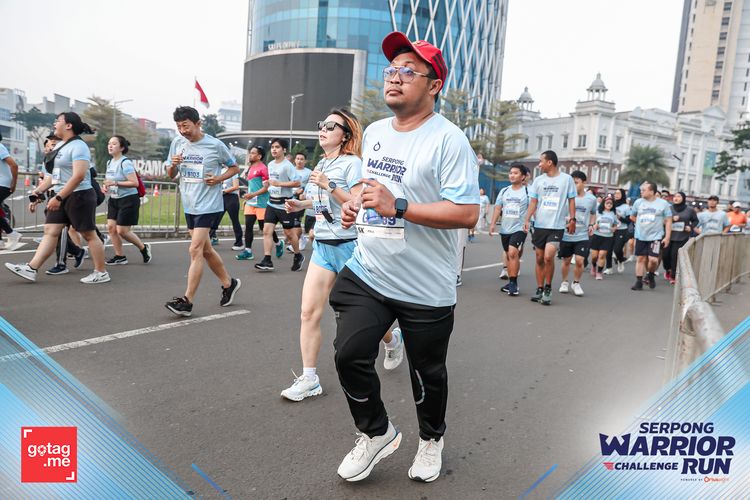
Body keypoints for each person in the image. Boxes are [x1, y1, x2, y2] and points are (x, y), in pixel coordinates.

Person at [330, 32, 479, 483]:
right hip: (371, 269)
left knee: (426, 373)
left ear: (434, 85)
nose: (394, 78)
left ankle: (431, 439)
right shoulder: (376, 132)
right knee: (348, 353)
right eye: (391, 70)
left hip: (425, 284)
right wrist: (355, 203)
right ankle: (375, 432)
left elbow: (467, 212)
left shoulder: (449, 141)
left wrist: (398, 206)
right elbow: (371, 186)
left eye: (408, 72)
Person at [279, 109, 405, 402]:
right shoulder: (323, 162)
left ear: (345, 135)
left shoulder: (352, 164)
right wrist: (301, 205)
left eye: (330, 126)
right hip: (323, 247)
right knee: (308, 312)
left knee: (361, 315)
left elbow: (357, 203)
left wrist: (329, 185)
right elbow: (323, 203)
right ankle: (309, 378)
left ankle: (391, 338)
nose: (322, 129)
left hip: (350, 247)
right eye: (321, 125)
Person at [6, 112, 109, 284]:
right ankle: (31, 268)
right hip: (61, 194)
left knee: (89, 234)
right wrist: (38, 191)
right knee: (51, 231)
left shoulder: (79, 146)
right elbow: (54, 176)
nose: (55, 123)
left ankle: (101, 272)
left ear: (68, 125)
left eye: (58, 120)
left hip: (79, 195)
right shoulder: (60, 145)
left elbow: (79, 176)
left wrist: (59, 197)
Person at [164, 106, 241, 316]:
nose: (183, 131)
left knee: (195, 250)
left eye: (186, 126)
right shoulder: (177, 143)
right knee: (206, 250)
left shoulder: (215, 145)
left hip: (209, 204)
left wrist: (218, 179)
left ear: (198, 123)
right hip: (189, 203)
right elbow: (170, 174)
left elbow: (234, 168)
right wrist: (173, 165)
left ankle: (187, 301)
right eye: (179, 126)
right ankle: (229, 283)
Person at [523, 150, 576, 305]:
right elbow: (533, 202)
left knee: (548, 256)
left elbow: (571, 200)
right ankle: (539, 288)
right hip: (540, 225)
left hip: (556, 226)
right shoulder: (538, 181)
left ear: (549, 162)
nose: (539, 164)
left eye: (541, 161)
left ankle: (548, 288)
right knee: (539, 258)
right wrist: (526, 219)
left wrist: (573, 219)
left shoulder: (566, 179)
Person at [254, 138, 303, 272]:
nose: (274, 149)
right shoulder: (270, 164)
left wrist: (279, 184)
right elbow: (273, 181)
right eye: (272, 147)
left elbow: (297, 182)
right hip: (272, 203)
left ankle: (298, 255)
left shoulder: (288, 166)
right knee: (266, 231)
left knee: (289, 233)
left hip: (285, 204)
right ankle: (267, 260)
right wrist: (268, 184)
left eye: (277, 147)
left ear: (284, 150)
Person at [102, 135, 152, 265]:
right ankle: (120, 256)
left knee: (122, 231)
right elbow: (109, 180)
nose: (110, 146)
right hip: (114, 199)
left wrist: (115, 183)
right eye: (109, 143)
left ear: (122, 148)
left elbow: (134, 183)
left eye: (114, 144)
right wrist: (106, 185)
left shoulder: (125, 163)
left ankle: (143, 248)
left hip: (128, 199)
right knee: (111, 228)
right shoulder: (109, 162)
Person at [489, 163, 529, 296]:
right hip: (505, 229)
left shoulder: (528, 192)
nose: (512, 175)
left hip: (520, 228)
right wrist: (492, 224)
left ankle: (513, 283)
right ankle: (511, 282)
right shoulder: (504, 191)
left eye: (516, 173)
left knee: (512, 253)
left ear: (523, 176)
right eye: (511, 173)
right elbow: (498, 208)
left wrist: (529, 222)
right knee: (508, 255)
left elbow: (533, 208)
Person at [558, 171, 597, 296]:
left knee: (580, 261)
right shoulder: (565, 197)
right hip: (566, 234)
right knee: (566, 261)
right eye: (572, 183)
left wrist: (591, 224)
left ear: (584, 183)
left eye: (576, 182)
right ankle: (564, 282)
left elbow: (593, 213)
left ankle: (576, 283)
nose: (574, 185)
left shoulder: (591, 199)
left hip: (582, 235)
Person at [236, 145, 277, 261]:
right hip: (251, 203)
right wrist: (247, 199)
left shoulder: (263, 169)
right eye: (250, 153)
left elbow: (266, 188)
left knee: (264, 228)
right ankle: (248, 251)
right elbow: (252, 186)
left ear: (259, 156)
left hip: (262, 203)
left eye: (253, 153)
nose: (250, 155)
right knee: (248, 226)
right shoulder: (250, 168)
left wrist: (252, 195)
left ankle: (278, 243)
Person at [630, 181, 672, 290]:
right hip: (640, 236)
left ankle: (651, 274)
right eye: (641, 190)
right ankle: (639, 282)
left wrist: (667, 237)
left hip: (655, 237)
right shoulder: (638, 202)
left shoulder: (663, 204)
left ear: (652, 191)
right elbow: (632, 216)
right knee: (640, 258)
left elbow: (668, 220)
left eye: (644, 190)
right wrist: (641, 224)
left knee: (653, 260)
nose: (641, 192)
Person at [664, 191, 699, 284]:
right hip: (668, 235)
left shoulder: (689, 210)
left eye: (679, 196)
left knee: (674, 255)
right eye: (675, 196)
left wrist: (690, 227)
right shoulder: (669, 208)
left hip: (681, 236)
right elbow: (662, 220)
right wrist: (671, 219)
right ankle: (668, 269)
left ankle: (673, 276)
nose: (676, 198)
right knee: (665, 256)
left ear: (683, 198)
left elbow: (695, 221)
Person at [208, 164, 244, 250]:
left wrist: (224, 191)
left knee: (235, 221)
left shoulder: (233, 171)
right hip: (221, 198)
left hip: (231, 198)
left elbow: (236, 186)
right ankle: (208, 240)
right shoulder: (221, 171)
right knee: (215, 219)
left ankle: (239, 243)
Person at [0, 132, 22, 251]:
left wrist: (14, 183)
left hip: (3, 184)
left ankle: (11, 233)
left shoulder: (0, 147)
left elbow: (14, 165)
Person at [287, 151, 312, 252]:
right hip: (289, 198)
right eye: (298, 159)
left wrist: (303, 190)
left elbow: (312, 185)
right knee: (289, 222)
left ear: (305, 161)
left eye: (302, 159)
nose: (299, 161)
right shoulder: (290, 171)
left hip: (300, 200)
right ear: (294, 160)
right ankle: (302, 238)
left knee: (296, 221)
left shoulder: (309, 172)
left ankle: (295, 244)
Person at [590, 196, 619, 280]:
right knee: (594, 256)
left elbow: (616, 225)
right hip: (597, 236)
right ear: (604, 204)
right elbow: (592, 222)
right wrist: (594, 226)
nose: (609, 205)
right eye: (607, 203)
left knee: (602, 255)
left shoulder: (613, 214)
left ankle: (599, 272)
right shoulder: (598, 212)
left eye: (611, 203)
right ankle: (594, 266)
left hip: (608, 237)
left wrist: (614, 228)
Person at [612, 188, 632, 274]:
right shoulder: (611, 204)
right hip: (610, 230)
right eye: (615, 193)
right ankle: (608, 268)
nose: (616, 195)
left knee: (617, 249)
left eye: (618, 193)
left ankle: (620, 261)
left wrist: (619, 217)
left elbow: (629, 220)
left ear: (623, 195)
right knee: (609, 250)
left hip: (621, 230)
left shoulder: (626, 207)